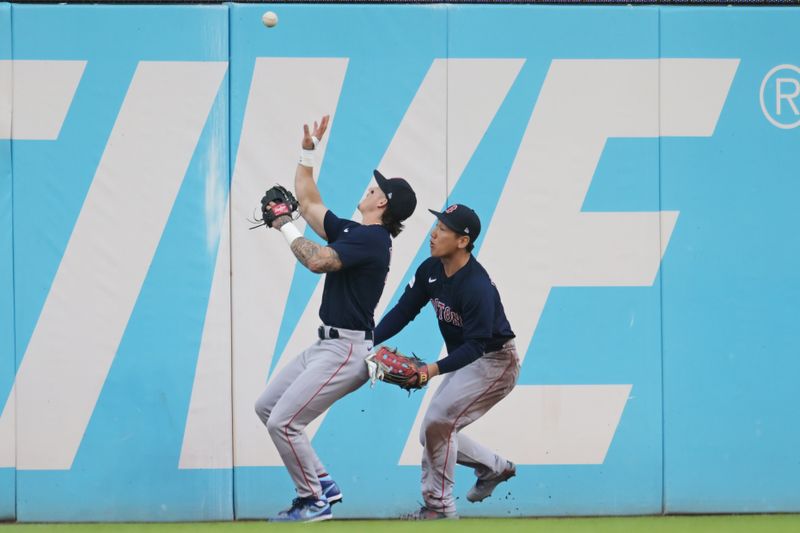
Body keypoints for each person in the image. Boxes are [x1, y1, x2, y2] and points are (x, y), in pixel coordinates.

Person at [255, 115, 417, 522]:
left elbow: (318, 261)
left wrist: (285, 226)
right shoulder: (353, 230)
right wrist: (308, 151)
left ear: (383, 202)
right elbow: (307, 200)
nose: (370, 185)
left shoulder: (373, 240)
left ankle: (313, 501)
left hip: (345, 350)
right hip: (327, 344)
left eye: (376, 186)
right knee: (267, 407)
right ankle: (322, 482)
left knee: (284, 423)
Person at [374, 203, 519, 519]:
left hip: (496, 361)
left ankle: (439, 508)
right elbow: (404, 311)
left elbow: (476, 347)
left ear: (462, 241)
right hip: (468, 358)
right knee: (433, 431)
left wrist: (430, 370)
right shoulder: (431, 270)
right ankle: (494, 467)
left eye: (442, 229)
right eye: (436, 225)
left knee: (440, 423)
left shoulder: (476, 286)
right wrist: (366, 340)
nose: (433, 233)